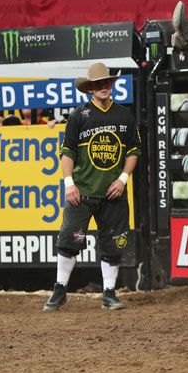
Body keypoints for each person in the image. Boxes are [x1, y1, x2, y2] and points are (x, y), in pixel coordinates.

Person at [43, 62, 140, 312]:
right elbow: (67, 153)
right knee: (68, 240)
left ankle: (109, 293)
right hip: (82, 192)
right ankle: (60, 289)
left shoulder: (124, 115)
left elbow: (133, 151)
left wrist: (123, 179)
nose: (104, 87)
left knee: (113, 243)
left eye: (107, 82)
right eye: (99, 83)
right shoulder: (78, 116)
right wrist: (69, 184)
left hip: (113, 192)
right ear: (90, 89)